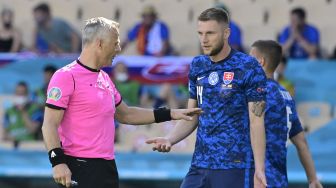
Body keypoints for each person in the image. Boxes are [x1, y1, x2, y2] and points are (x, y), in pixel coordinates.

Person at [41, 17, 201, 188]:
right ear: (100, 43)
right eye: (115, 43)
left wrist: (171, 114)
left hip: (107, 167)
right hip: (79, 167)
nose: (118, 48)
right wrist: (57, 162)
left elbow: (126, 114)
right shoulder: (65, 76)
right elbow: (49, 124)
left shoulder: (104, 78)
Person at [146, 8, 267, 188]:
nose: (204, 39)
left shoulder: (248, 66)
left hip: (234, 166)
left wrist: (259, 169)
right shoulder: (198, 65)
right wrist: (170, 139)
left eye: (210, 33)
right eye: (200, 33)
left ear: (226, 33)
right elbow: (193, 114)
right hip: (199, 165)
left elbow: (256, 121)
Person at [249, 40, 323, 188]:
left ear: (260, 62)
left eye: (249, 58)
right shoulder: (286, 95)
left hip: (258, 177)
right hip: (278, 178)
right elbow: (301, 142)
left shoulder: (259, 91)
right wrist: (312, 179)